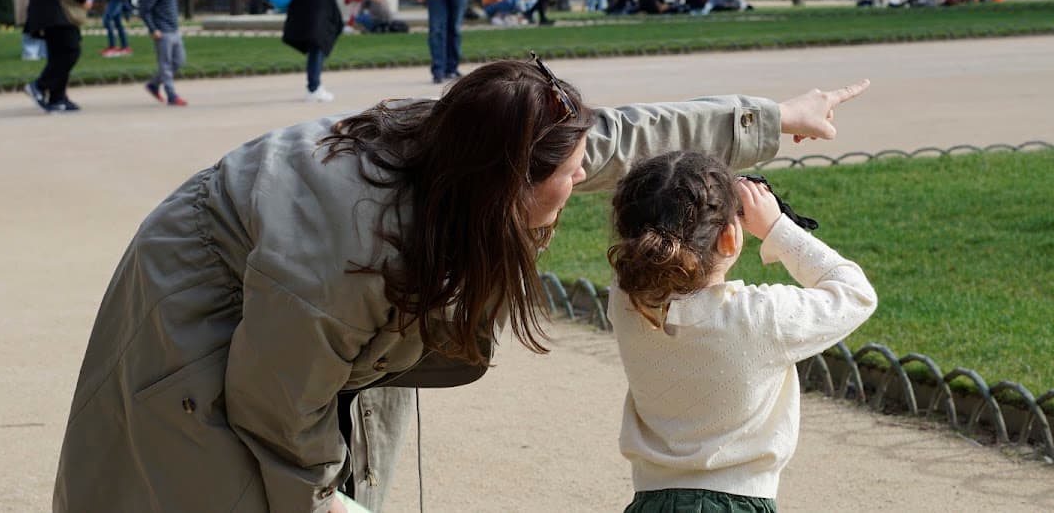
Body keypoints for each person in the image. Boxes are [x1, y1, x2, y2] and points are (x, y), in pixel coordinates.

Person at [51, 54, 870, 513]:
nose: (582, 186)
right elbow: (277, 417)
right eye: (561, 190)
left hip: (326, 297)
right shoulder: (342, 258)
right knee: (222, 487)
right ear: (504, 189)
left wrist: (769, 119)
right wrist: (324, 500)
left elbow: (616, 137)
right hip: (208, 295)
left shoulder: (486, 148)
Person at [608, 151, 877, 513]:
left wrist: (692, 192)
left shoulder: (626, 304)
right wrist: (777, 228)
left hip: (650, 502)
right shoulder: (760, 317)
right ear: (730, 238)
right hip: (739, 502)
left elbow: (654, 203)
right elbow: (856, 294)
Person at [139, 0, 188, 106]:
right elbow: (144, 10)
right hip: (162, 32)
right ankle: (171, 95)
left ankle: (154, 85)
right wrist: (153, 29)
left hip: (174, 30)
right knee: (165, 65)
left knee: (179, 60)